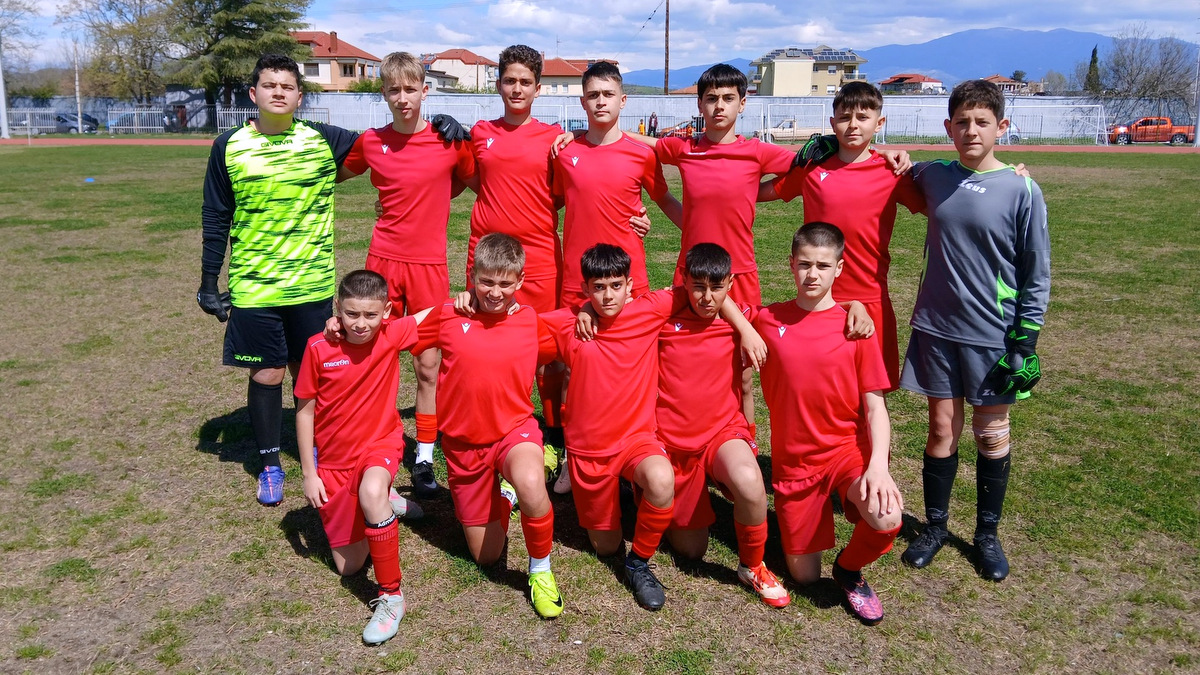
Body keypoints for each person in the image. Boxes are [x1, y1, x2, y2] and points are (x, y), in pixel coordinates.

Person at [542, 243, 766, 612]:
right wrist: (583, 309)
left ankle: (638, 563)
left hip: (638, 440)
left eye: (616, 286)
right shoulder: (570, 324)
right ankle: (626, 495)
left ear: (630, 286)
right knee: (605, 547)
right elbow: (513, 329)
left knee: (671, 502)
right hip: (590, 450)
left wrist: (744, 327)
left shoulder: (651, 309)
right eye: (598, 288)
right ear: (585, 289)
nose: (608, 295)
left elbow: (707, 288)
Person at [899, 79, 1049, 582]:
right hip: (936, 328)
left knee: (990, 433)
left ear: (1001, 127)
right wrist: (889, 154)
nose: (971, 131)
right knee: (941, 430)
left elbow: (1036, 270)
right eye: (961, 122)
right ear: (948, 127)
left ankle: (987, 535)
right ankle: (935, 527)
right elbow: (891, 165)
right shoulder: (935, 175)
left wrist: (1026, 338)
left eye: (982, 122)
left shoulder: (1022, 189)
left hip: (992, 334)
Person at [198, 53, 358, 506]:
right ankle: (270, 463)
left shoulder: (324, 139)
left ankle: (317, 450)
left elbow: (387, 146)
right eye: (270, 85)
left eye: (287, 86)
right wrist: (209, 280)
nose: (279, 92)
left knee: (310, 372)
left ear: (299, 97)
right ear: (254, 93)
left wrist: (439, 126)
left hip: (311, 283)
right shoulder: (228, 146)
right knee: (267, 372)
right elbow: (216, 215)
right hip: (256, 285)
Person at [339, 51, 475, 498]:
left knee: (428, 366)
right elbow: (331, 175)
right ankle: (369, 444)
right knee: (373, 359)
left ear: (424, 91)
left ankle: (423, 457)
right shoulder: (371, 142)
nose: (403, 98)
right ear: (383, 93)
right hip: (382, 262)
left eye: (410, 89)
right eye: (394, 89)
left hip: (429, 267)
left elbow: (477, 180)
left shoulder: (447, 141)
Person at [754, 223, 902, 626]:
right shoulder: (767, 320)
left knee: (887, 518)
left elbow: (876, 408)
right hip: (794, 464)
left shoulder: (856, 328)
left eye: (823, 266)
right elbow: (718, 304)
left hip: (845, 452)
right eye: (804, 264)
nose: (812, 274)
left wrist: (878, 466)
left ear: (839, 268)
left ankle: (849, 569)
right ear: (791, 264)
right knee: (804, 577)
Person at [410, 234, 564, 619]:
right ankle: (506, 496)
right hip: (464, 445)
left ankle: (541, 572)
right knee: (486, 556)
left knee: (532, 482)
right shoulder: (449, 314)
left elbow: (576, 336)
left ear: (520, 280)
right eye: (486, 282)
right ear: (472, 275)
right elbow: (393, 333)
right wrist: (343, 327)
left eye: (505, 283)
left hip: (514, 432)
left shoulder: (529, 321)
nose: (496, 292)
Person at [294, 270, 433, 645]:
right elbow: (304, 412)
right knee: (348, 566)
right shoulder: (318, 348)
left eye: (371, 315)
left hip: (380, 444)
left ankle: (391, 598)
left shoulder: (392, 334)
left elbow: (433, 315)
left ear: (386, 311)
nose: (360, 324)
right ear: (337, 309)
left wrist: (467, 298)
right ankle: (386, 501)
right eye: (351, 313)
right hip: (335, 464)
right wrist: (310, 473)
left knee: (370, 491)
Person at [760, 81, 923, 391]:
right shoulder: (812, 169)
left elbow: (942, 202)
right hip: (819, 297)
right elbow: (762, 191)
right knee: (822, 389)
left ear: (880, 122)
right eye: (845, 117)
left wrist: (1009, 176)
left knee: (872, 396)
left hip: (871, 298)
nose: (853, 125)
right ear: (832, 122)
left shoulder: (892, 172)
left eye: (863, 117)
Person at [654, 243, 789, 608]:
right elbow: (614, 306)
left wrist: (853, 307)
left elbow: (802, 311)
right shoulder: (662, 315)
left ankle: (753, 566)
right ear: (684, 280)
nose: (707, 297)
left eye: (717, 287)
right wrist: (586, 310)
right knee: (691, 551)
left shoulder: (742, 318)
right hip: (675, 444)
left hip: (722, 432)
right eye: (698, 287)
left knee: (750, 481)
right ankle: (656, 496)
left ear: (730, 283)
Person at [466, 44, 567, 466]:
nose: (517, 88)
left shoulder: (555, 137)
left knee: (548, 351)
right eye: (510, 80)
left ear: (538, 88)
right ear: (498, 84)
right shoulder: (479, 132)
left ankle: (554, 433)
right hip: (488, 258)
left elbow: (568, 191)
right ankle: (497, 427)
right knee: (491, 346)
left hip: (539, 257)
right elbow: (469, 181)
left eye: (526, 82)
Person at [552, 60, 681, 308]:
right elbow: (554, 201)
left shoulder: (643, 154)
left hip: (628, 277)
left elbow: (664, 199)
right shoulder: (564, 153)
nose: (601, 101)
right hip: (578, 279)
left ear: (622, 100)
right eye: (593, 95)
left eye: (608, 94)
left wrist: (696, 231)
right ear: (583, 102)